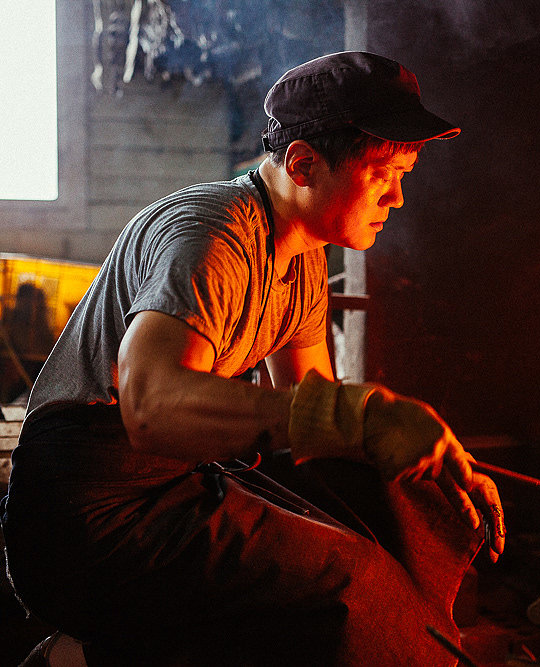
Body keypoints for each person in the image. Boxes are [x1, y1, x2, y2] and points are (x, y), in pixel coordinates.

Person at [1, 51, 504, 666]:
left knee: (387, 524)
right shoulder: (213, 234)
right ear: (303, 162)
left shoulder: (301, 256)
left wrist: (437, 468)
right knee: (354, 581)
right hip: (89, 511)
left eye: (407, 172)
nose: (397, 197)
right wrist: (363, 416)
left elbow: (314, 420)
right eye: (382, 173)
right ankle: (82, 656)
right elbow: (149, 405)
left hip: (175, 479)